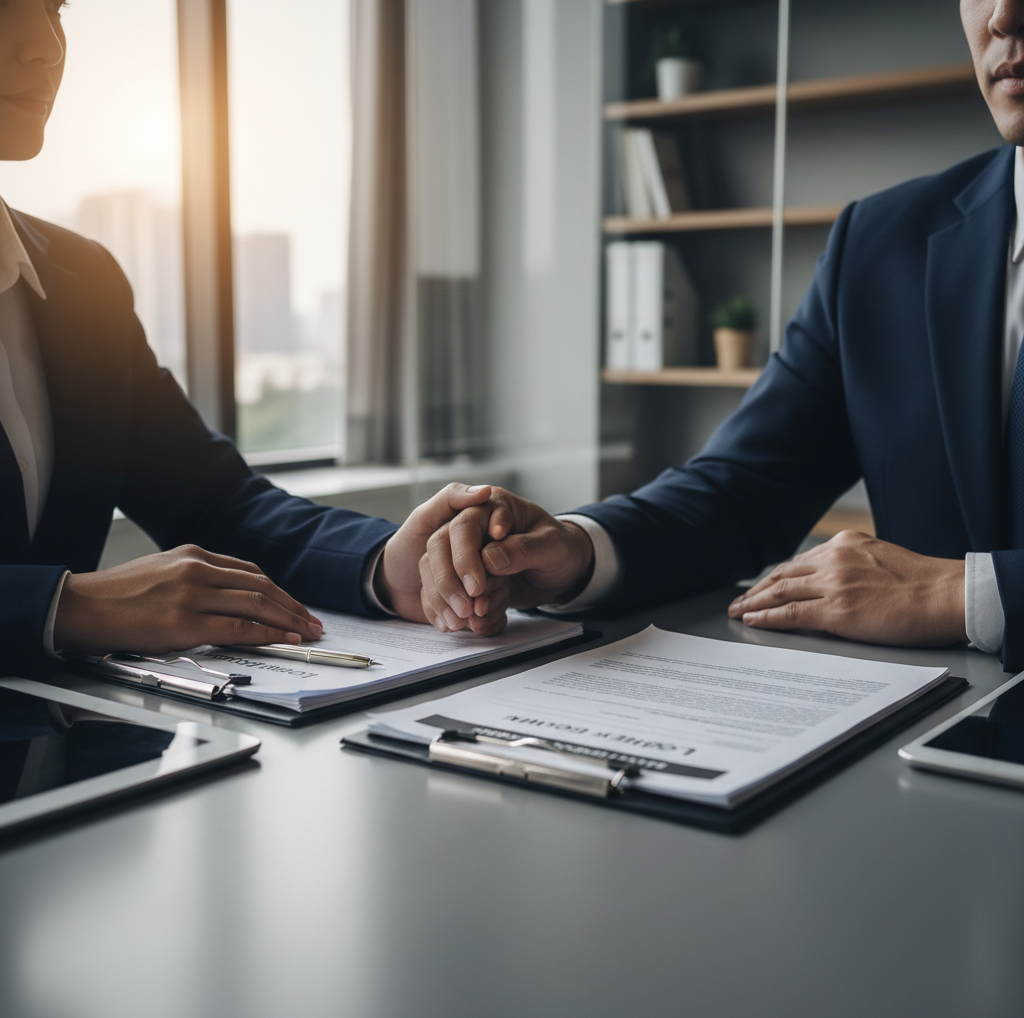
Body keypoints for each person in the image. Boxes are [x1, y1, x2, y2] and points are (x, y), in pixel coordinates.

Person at [418, 0, 1024, 674]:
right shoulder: (881, 242)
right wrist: (579, 549)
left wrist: (971, 597)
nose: (1003, 15)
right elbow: (744, 488)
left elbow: (963, 588)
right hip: (911, 747)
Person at [0, 0, 502, 678]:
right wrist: (61, 607)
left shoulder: (82, 279)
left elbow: (213, 503)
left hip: (66, 759)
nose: (45, 47)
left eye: (55, 8)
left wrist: (386, 567)